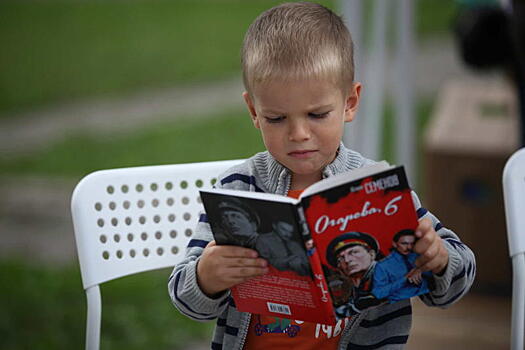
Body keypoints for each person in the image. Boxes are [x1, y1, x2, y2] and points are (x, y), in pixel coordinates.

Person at [168, 2, 476, 349]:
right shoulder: (238, 188)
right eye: (276, 119)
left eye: (317, 114)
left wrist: (440, 259)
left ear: (350, 102)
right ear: (254, 111)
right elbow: (186, 300)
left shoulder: (377, 191)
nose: (298, 133)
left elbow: (454, 284)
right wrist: (206, 277)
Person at [216, 197, 310, 276]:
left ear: (252, 222)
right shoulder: (226, 243)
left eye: (235, 216)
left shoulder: (269, 241)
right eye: (224, 218)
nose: (230, 221)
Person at [326, 232, 383, 317]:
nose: (347, 260)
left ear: (371, 254)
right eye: (340, 258)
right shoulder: (353, 286)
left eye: (354, 252)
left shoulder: (385, 275)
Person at [372, 229, 433, 303]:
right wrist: (405, 279)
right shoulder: (382, 265)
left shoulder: (418, 256)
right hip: (398, 305)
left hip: (429, 300)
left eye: (412, 244)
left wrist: (421, 269)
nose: (409, 247)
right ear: (394, 244)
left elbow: (437, 276)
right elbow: (378, 293)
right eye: (404, 243)